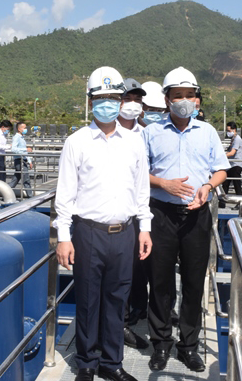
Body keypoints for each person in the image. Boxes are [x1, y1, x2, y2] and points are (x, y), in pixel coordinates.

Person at [54, 66, 153, 381]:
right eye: (101, 97)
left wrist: (145, 228)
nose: (108, 103)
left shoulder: (134, 142)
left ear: (121, 100)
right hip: (88, 233)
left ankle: (112, 364)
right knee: (87, 299)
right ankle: (86, 362)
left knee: (116, 299)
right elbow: (65, 195)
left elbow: (142, 190)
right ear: (90, 101)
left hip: (124, 233)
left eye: (113, 97)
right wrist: (64, 237)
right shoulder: (77, 142)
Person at [143, 67, 229, 373]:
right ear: (167, 100)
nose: (183, 101)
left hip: (196, 216)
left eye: (189, 95)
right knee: (160, 281)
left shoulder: (207, 132)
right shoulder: (151, 132)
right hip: (161, 213)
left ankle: (189, 345)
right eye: (177, 95)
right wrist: (164, 184)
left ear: (197, 100)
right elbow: (139, 172)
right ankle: (161, 344)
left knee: (194, 282)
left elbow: (221, 169)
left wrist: (207, 186)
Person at [118, 78, 150, 350]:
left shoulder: (146, 132)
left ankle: (140, 309)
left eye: (138, 99)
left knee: (139, 267)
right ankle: (121, 324)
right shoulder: (107, 131)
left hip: (141, 211)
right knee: (119, 274)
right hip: (114, 216)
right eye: (128, 98)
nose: (133, 104)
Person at [221, 121, 242, 210]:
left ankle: (240, 203)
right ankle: (222, 202)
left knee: (236, 185)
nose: (228, 132)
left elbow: (232, 152)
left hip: (236, 165)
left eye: (229, 130)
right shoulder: (233, 139)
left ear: (234, 130)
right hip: (232, 165)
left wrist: (222, 155)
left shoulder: (237, 139)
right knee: (225, 183)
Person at [9, 121, 33, 197]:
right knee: (26, 179)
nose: (26, 129)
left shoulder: (22, 138)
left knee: (16, 179)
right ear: (19, 129)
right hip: (19, 161)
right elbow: (14, 149)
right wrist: (25, 149)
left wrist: (29, 160)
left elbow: (24, 151)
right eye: (24, 128)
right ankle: (30, 196)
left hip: (23, 160)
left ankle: (6, 192)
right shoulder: (16, 137)